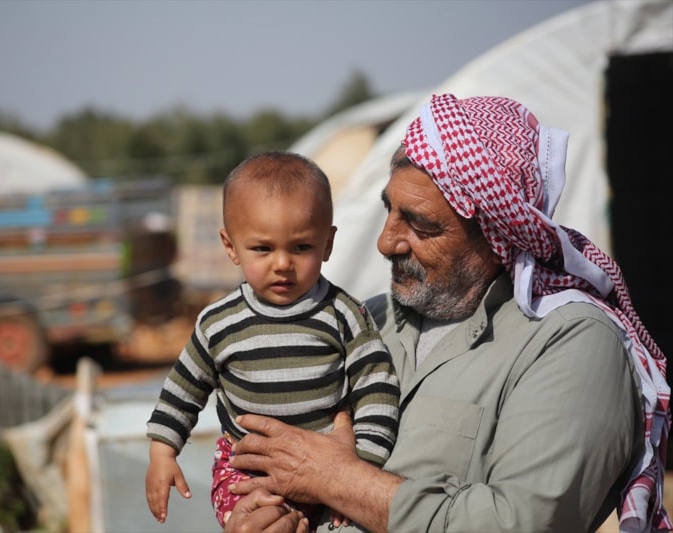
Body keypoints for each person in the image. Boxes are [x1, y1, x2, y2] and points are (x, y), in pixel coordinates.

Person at [225, 94, 671, 533]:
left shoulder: (570, 344)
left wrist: (339, 479)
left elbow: (519, 522)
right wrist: (266, 514)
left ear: (496, 235)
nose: (387, 241)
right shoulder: (367, 321)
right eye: (389, 210)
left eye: (420, 224)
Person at [145, 151, 401, 528]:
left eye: (301, 247)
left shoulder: (343, 314)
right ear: (230, 246)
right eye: (263, 249)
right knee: (257, 521)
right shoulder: (218, 324)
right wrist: (162, 452)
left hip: (330, 470)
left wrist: (361, 467)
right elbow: (183, 390)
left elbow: (376, 385)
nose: (282, 264)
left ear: (327, 244)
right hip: (246, 470)